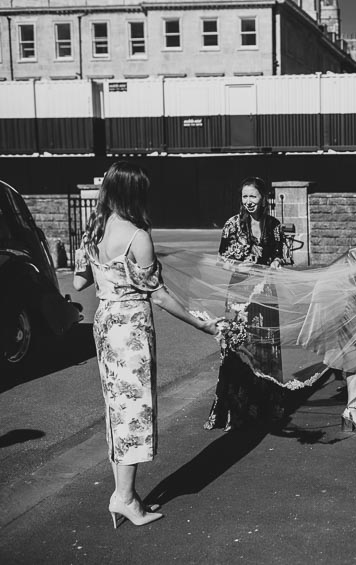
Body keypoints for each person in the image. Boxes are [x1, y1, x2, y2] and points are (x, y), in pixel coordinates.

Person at [73, 161, 219, 528]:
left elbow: (77, 284)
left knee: (116, 408)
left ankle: (124, 494)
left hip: (106, 325)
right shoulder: (138, 237)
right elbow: (160, 296)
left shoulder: (94, 230)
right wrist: (203, 325)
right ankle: (124, 498)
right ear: (133, 194)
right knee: (134, 410)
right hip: (131, 330)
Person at [203, 177, 290, 432]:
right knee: (237, 349)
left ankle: (263, 409)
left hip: (265, 294)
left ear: (263, 197)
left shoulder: (273, 225)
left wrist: (276, 264)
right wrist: (239, 266)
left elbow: (281, 256)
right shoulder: (232, 225)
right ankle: (235, 411)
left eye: (253, 196)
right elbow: (221, 260)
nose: (249, 202)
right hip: (239, 294)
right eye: (245, 197)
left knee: (264, 349)